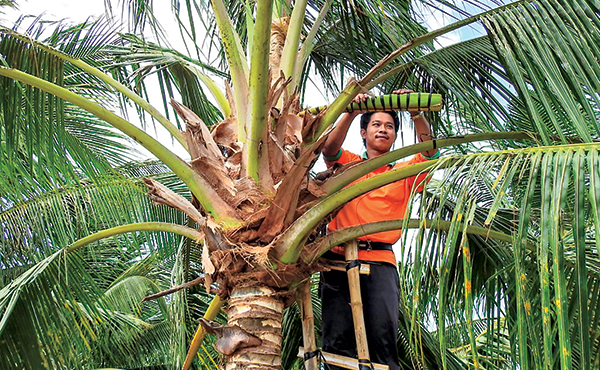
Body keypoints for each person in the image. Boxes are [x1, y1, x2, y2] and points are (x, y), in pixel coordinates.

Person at [319, 89, 439, 370]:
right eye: (376, 124)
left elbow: (430, 152)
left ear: (396, 135)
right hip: (337, 261)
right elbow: (328, 148)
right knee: (337, 345)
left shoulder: (402, 173)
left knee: (382, 343)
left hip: (381, 263)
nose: (383, 130)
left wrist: (416, 114)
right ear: (364, 132)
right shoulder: (346, 163)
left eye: (389, 126)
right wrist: (351, 111)